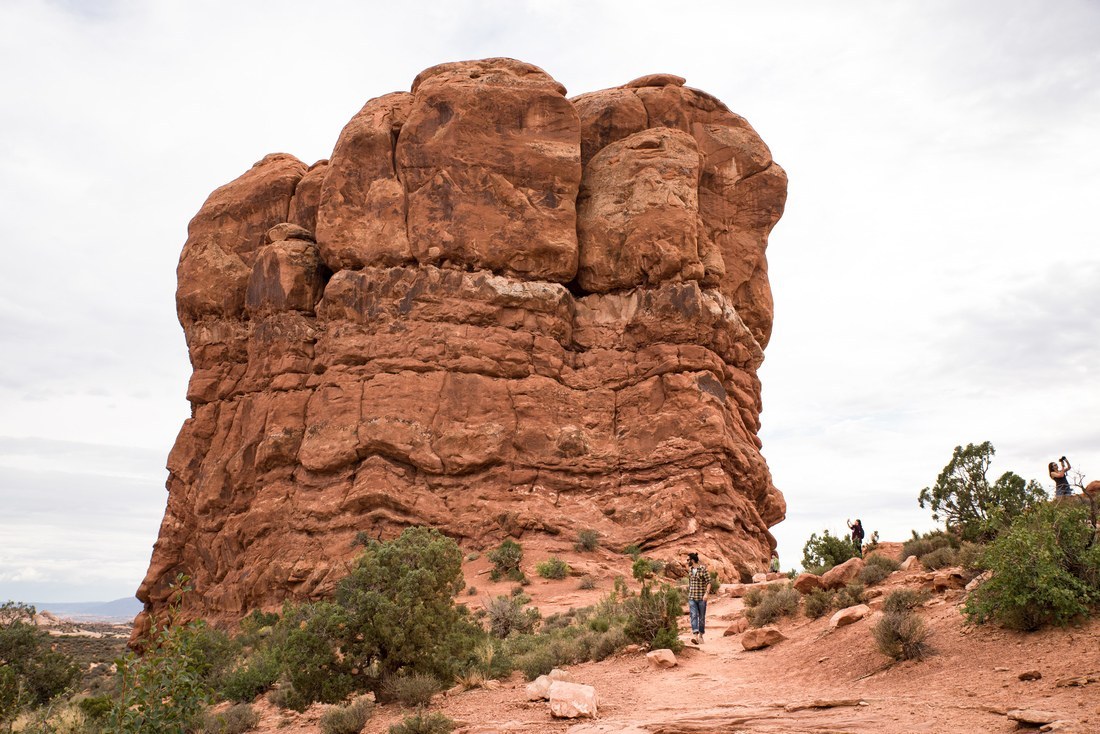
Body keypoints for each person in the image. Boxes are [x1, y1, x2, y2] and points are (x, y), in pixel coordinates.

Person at [686, 552, 709, 644]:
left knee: (702, 617)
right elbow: (690, 583)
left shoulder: (703, 569)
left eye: (688, 560)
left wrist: (706, 594)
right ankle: (695, 635)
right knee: (693, 615)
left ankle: (701, 635)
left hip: (701, 598)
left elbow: (709, 582)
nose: (687, 562)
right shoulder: (690, 570)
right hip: (692, 597)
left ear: (692, 560)